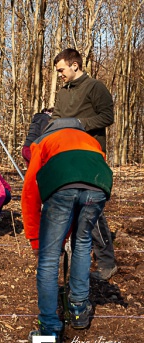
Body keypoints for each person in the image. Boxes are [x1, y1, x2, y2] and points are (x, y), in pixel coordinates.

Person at [22, 118, 112, 343]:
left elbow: (31, 191)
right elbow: (89, 178)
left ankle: (49, 330)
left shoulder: (44, 141)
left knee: (49, 257)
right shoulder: (90, 141)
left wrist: (35, 238)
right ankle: (78, 310)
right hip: (98, 187)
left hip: (62, 189)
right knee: (82, 243)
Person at [52, 48, 117, 281]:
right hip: (66, 156)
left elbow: (107, 117)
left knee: (92, 210)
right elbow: (56, 118)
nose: (59, 74)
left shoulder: (95, 87)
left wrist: (79, 124)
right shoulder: (62, 92)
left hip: (90, 156)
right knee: (73, 206)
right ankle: (70, 260)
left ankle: (107, 263)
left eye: (61, 70)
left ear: (75, 66)